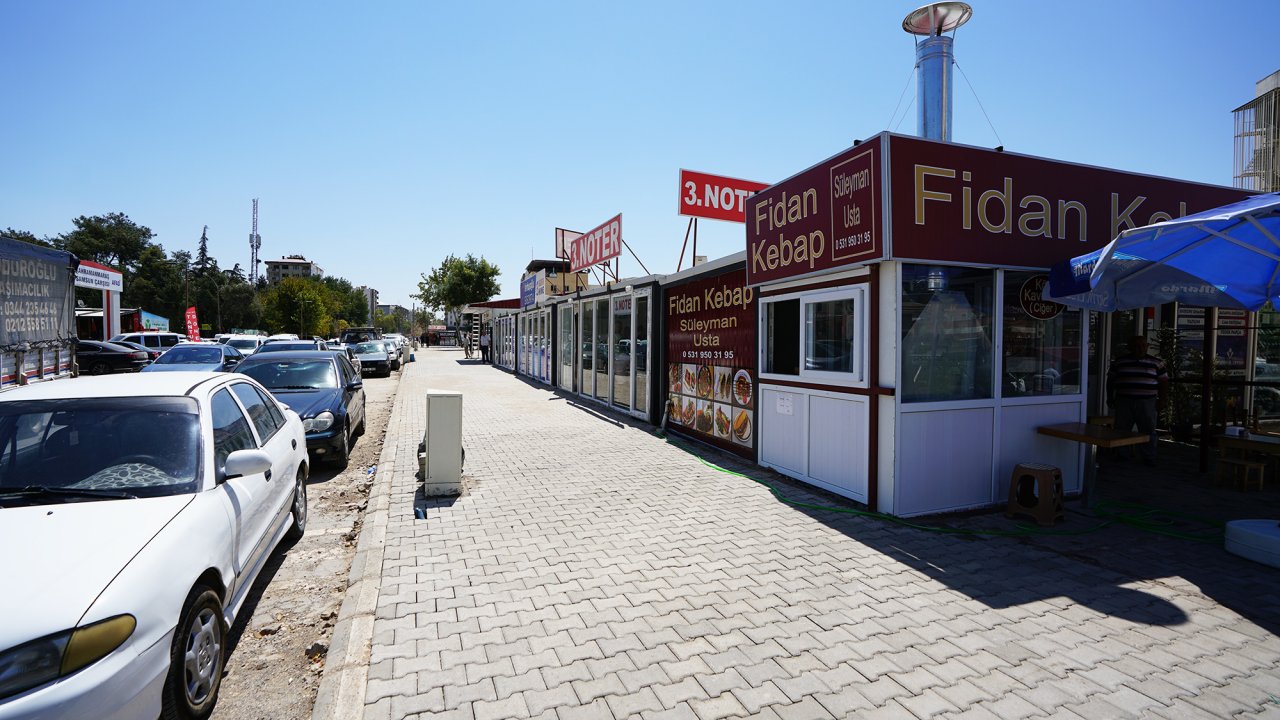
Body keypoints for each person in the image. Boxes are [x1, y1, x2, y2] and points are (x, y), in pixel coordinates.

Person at [1107, 335, 1169, 466]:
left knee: (1148, 430)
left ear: (1147, 347)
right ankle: (1123, 455)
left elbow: (1164, 383)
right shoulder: (1119, 362)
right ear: (1129, 347)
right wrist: (1109, 397)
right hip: (1124, 400)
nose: (1139, 348)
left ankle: (1148, 457)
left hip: (1147, 402)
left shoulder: (1156, 362)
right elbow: (1110, 381)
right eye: (1136, 346)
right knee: (1122, 429)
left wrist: (1162, 400)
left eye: (1142, 345)